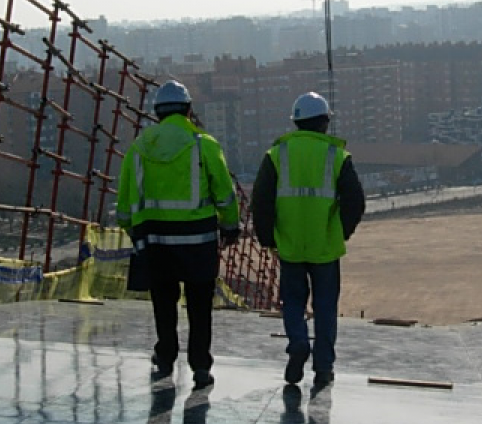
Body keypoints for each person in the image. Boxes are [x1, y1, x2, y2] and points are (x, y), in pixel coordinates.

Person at [115, 80, 240, 390]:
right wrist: (230, 225)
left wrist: (134, 231)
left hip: (155, 240)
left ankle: (166, 355)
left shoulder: (140, 147)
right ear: (188, 109)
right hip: (198, 240)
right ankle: (200, 366)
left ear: (157, 112)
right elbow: (224, 192)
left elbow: (124, 203)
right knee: (199, 306)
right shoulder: (203, 144)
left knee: (163, 301)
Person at [251, 92, 365, 389]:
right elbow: (355, 202)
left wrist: (267, 237)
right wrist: (341, 231)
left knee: (293, 302)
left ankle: (299, 342)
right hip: (325, 246)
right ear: (325, 122)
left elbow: (261, 200)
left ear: (296, 122)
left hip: (289, 244)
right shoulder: (337, 157)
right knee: (326, 307)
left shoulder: (276, 155)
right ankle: (324, 367)